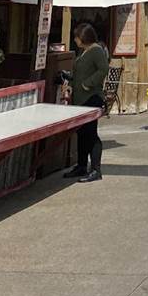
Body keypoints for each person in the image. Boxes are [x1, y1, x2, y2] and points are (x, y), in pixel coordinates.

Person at [65, 23, 109, 183]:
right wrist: (71, 84)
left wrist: (88, 83)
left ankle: (96, 169)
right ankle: (81, 165)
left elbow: (103, 69)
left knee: (91, 133)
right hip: (80, 98)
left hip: (91, 97)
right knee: (82, 133)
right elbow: (78, 72)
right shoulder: (83, 52)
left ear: (84, 37)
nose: (75, 40)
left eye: (77, 37)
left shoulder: (96, 50)